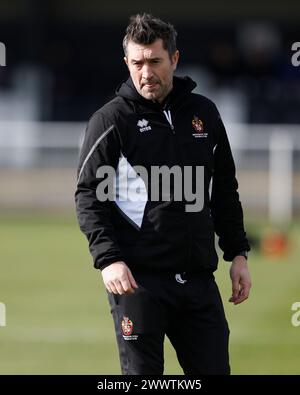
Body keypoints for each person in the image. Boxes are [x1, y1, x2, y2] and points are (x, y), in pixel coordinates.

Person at [75, 13, 251, 375]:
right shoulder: (110, 122)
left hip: (199, 281)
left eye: (154, 61)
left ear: (174, 58)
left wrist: (237, 253)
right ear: (127, 63)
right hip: (138, 284)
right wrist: (108, 259)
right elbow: (89, 196)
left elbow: (224, 188)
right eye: (137, 63)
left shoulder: (205, 113)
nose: (145, 72)